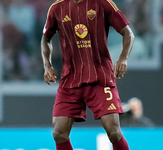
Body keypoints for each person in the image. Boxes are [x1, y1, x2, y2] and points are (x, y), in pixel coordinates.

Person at [41, 0, 134, 149]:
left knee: (113, 132)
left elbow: (128, 33)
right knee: (59, 133)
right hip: (70, 80)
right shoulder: (57, 8)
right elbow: (46, 39)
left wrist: (123, 58)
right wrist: (47, 66)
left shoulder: (103, 3)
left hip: (100, 78)